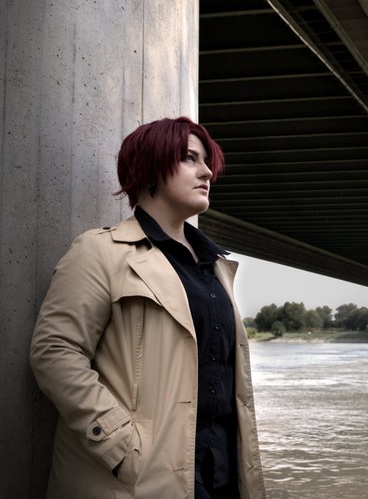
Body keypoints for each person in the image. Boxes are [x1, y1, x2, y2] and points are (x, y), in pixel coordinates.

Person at [30, 117, 267, 499]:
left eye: (207, 161)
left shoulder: (217, 267)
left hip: (222, 474)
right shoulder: (100, 252)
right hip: (140, 478)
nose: (207, 172)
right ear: (150, 167)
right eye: (190, 158)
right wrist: (121, 447)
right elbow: (54, 352)